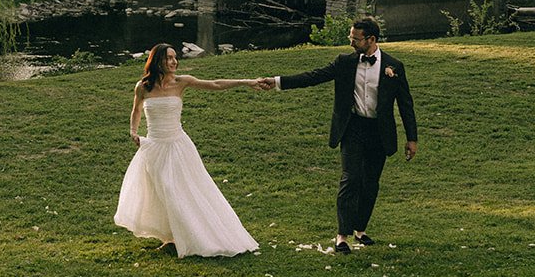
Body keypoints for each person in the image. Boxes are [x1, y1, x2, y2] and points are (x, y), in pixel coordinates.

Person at [260, 16, 418, 254]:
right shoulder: (344, 62)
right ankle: (342, 236)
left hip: (379, 132)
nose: (351, 42)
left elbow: (406, 104)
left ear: (371, 39)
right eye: (350, 37)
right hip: (352, 128)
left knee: (370, 184)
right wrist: (277, 82)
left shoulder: (394, 66)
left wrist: (412, 139)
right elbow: (313, 76)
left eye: (355, 39)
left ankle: (360, 230)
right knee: (351, 178)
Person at [115, 44, 262, 257]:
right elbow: (136, 110)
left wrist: (247, 82)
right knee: (160, 191)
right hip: (154, 146)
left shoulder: (182, 82)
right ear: (157, 61)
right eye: (169, 58)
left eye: (176, 58)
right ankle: (171, 236)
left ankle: (191, 235)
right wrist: (133, 131)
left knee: (173, 188)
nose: (174, 62)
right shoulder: (143, 87)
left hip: (178, 145)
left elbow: (215, 84)